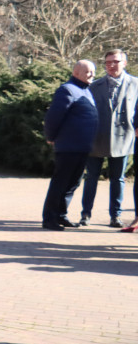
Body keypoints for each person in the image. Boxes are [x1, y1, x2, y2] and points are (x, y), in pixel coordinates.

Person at [79, 49, 138, 228]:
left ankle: (115, 215)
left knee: (118, 179)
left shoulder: (135, 84)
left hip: (123, 137)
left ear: (125, 63)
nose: (111, 66)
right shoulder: (94, 86)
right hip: (97, 137)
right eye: (108, 63)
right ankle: (85, 214)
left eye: (116, 62)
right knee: (91, 177)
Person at [41, 60, 98, 230]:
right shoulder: (67, 90)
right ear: (77, 72)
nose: (92, 75)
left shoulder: (85, 90)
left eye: (94, 72)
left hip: (82, 147)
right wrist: (51, 137)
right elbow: (53, 117)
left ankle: (61, 215)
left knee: (72, 183)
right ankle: (50, 218)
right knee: (61, 183)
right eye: (89, 72)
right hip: (68, 147)